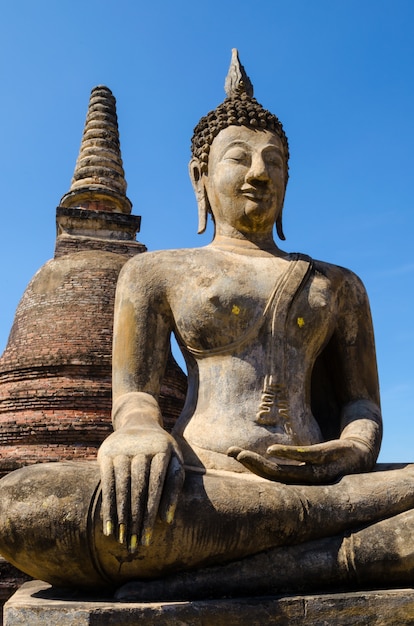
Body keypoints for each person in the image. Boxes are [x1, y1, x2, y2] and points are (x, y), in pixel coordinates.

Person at [1, 50, 414, 598]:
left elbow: (360, 405)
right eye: (239, 157)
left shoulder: (339, 285)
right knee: (28, 507)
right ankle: (337, 548)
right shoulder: (153, 272)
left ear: (289, 178)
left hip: (325, 483)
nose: (258, 174)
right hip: (206, 485)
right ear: (200, 175)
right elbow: (134, 394)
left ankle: (276, 553)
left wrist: (355, 449)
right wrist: (139, 432)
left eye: (274, 161)